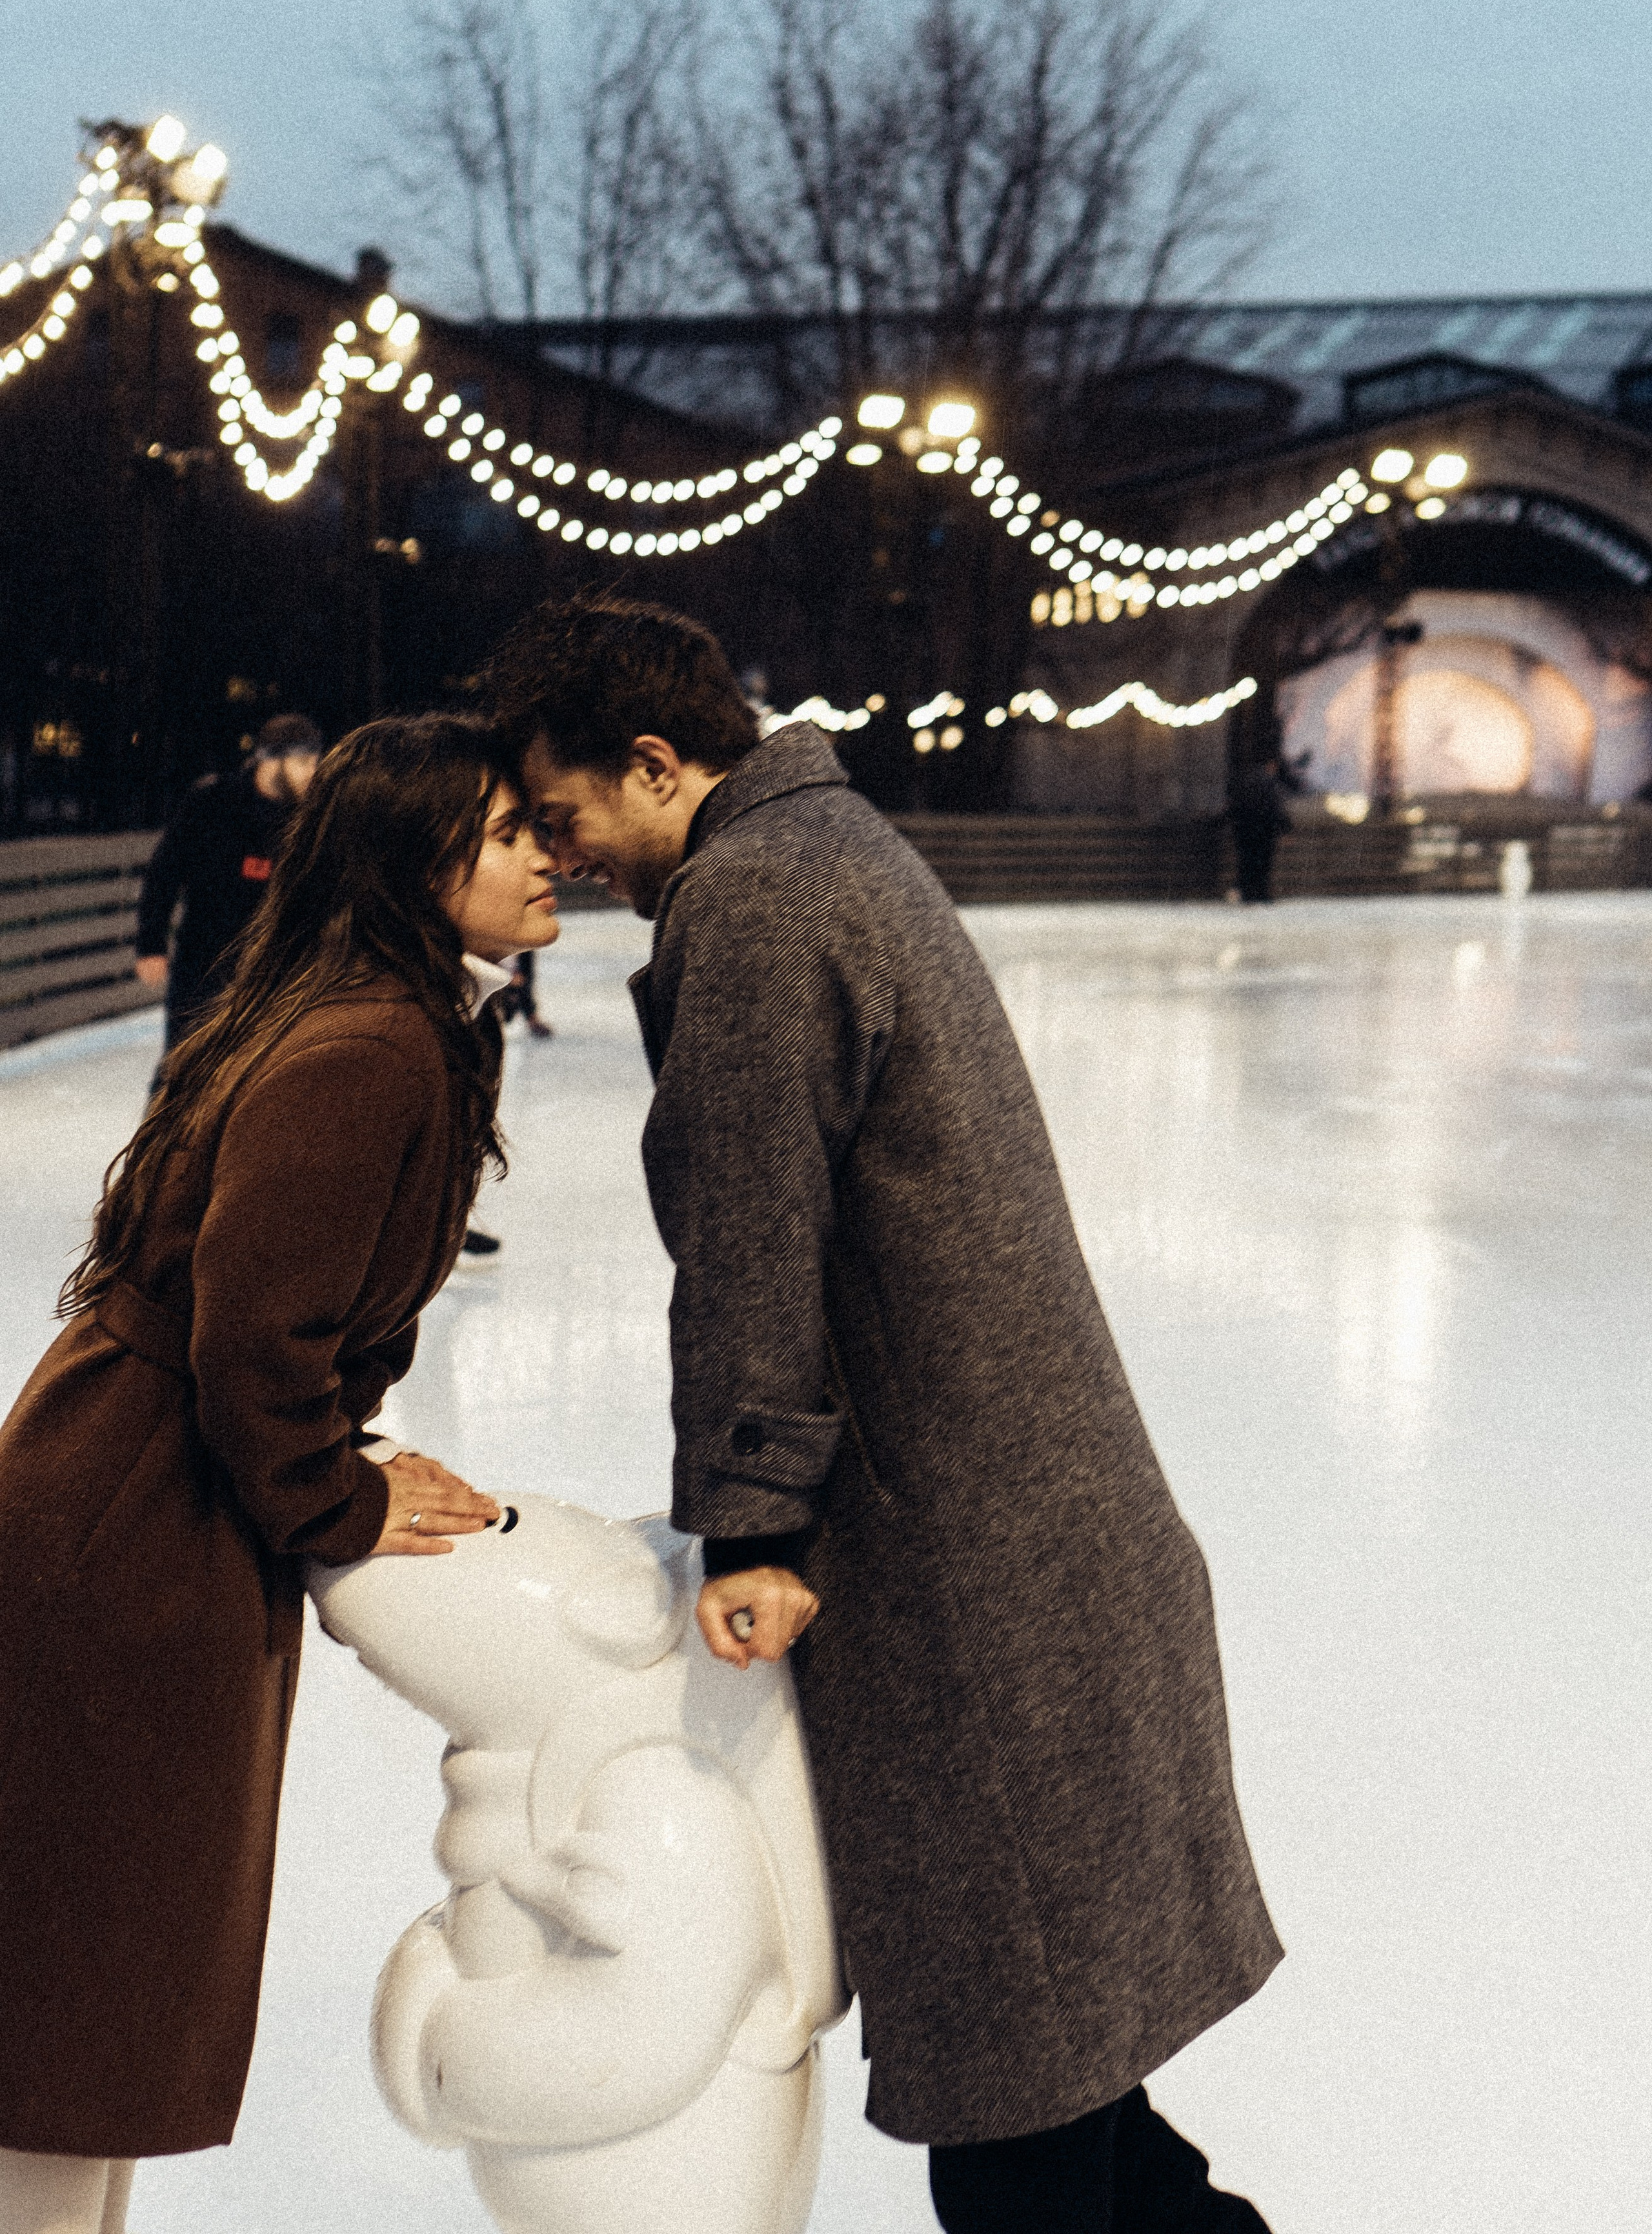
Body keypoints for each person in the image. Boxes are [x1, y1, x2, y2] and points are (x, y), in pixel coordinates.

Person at [491, 592, 1281, 2234]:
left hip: (971, 1574)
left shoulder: (757, 897)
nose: (563, 860)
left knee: (1015, 2112)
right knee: (1065, 2080)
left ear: (654, 763)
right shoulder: (822, 845)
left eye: (565, 816)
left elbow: (750, 1237)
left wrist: (752, 1521)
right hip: (1032, 1538)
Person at [0, 713, 561, 2234]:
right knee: (72, 1987)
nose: (545, 850)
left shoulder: (388, 1016)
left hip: (145, 1498)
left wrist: (343, 1453)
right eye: (509, 827)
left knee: (89, 1986)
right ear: (419, 852)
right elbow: (256, 1333)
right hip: (133, 1521)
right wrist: (343, 1492)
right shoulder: (370, 1043)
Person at [134, 712, 325, 1051]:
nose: (314, 772)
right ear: (273, 761)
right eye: (305, 762)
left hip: (272, 978)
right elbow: (164, 874)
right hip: (202, 970)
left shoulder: (310, 821)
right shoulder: (211, 804)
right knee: (182, 1072)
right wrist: (151, 943)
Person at [1227, 757, 1293, 905]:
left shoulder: (1245, 781)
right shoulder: (1269, 782)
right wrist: (1286, 828)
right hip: (1265, 831)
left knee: (1246, 862)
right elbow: (1275, 807)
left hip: (1244, 830)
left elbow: (1234, 805)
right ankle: (1261, 893)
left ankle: (1247, 892)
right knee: (1263, 864)